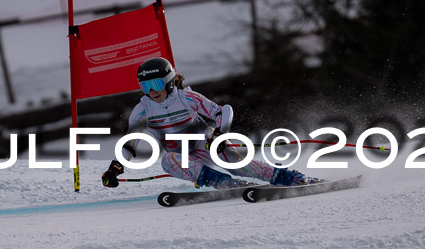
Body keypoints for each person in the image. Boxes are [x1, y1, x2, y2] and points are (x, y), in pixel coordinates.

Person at [101, 57, 317, 189]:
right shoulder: (142, 110)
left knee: (242, 166)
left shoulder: (187, 98)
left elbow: (223, 111)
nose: (151, 91)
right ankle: (223, 182)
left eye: (155, 84)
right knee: (167, 160)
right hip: (185, 159)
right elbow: (130, 143)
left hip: (206, 144)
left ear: (168, 81)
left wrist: (219, 135)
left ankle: (291, 178)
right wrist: (115, 167)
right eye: (144, 85)